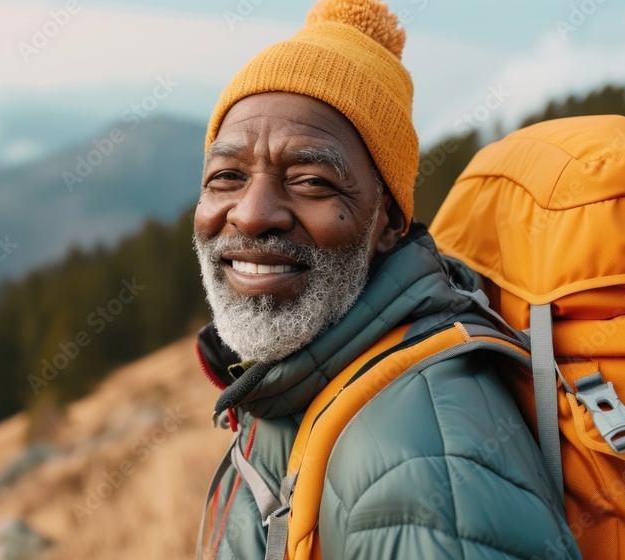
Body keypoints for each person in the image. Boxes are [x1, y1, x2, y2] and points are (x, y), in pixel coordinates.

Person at [192, 0, 580, 558]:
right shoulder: (300, 379)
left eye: (311, 181)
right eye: (226, 175)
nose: (251, 214)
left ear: (389, 223)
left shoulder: (421, 474)